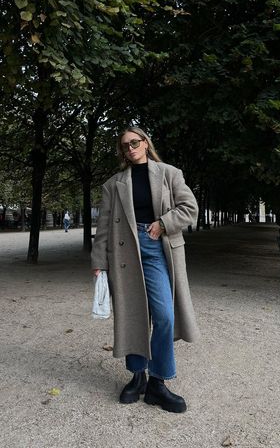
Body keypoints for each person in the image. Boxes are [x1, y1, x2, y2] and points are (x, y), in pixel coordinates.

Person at [91, 126, 200, 413]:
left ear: (145, 142)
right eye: (125, 145)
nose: (130, 148)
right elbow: (103, 228)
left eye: (134, 142)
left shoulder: (169, 173)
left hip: (157, 247)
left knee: (164, 315)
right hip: (124, 250)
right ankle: (138, 376)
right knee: (133, 316)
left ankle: (158, 382)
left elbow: (190, 208)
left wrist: (163, 223)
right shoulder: (113, 184)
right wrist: (99, 263)